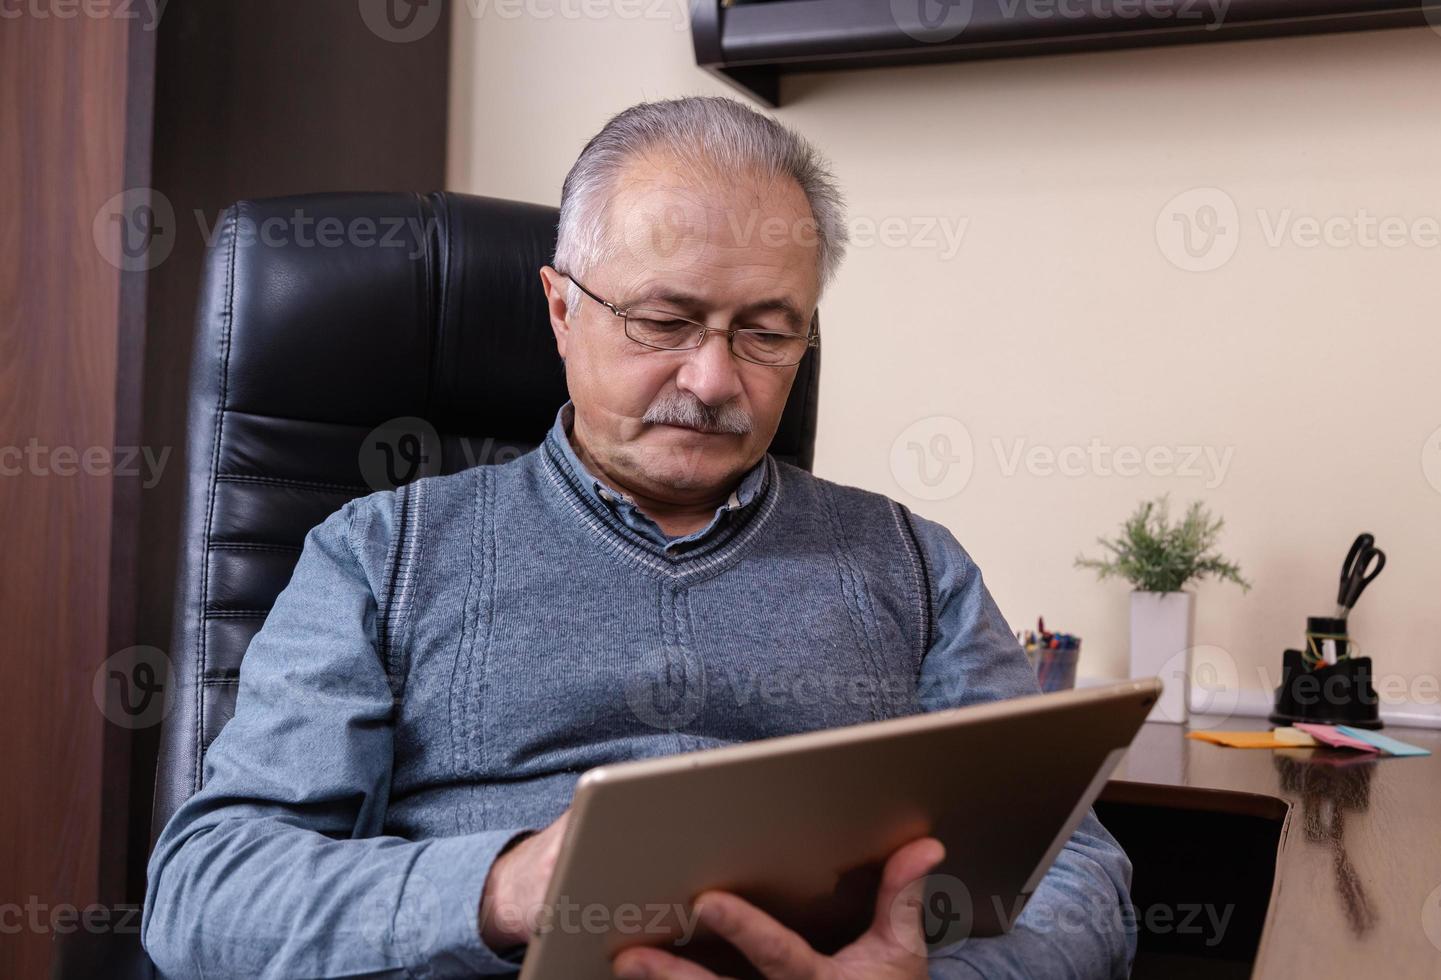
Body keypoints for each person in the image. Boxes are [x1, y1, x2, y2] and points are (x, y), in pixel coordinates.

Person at [143, 95, 1135, 979]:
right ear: (562, 308)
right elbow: (204, 894)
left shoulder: (912, 563)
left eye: (767, 330)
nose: (713, 379)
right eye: (665, 319)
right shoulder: (380, 552)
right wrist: (506, 888)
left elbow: (1077, 871)